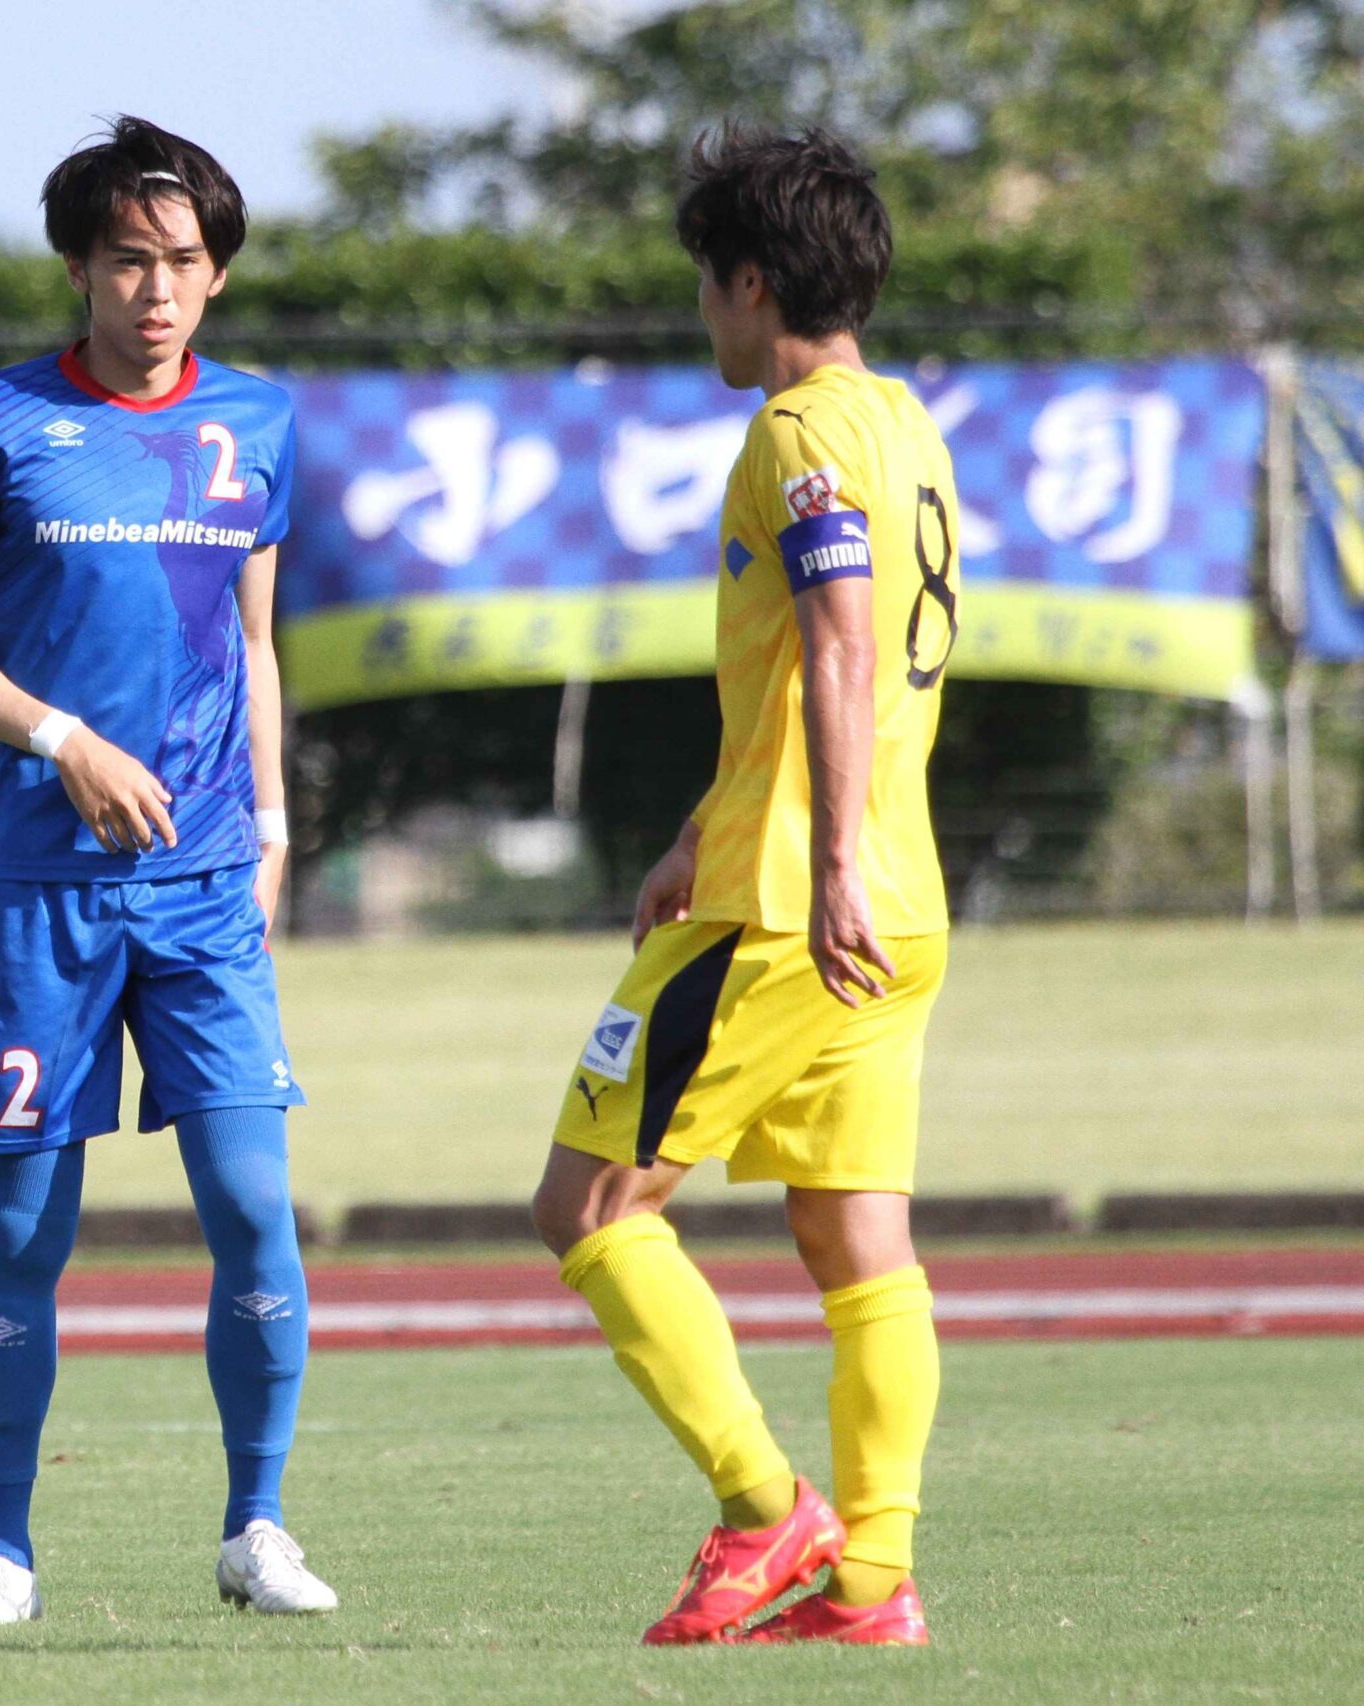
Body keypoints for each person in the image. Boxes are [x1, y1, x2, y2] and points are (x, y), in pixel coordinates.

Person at [0, 115, 335, 1627]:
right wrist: (63, 739)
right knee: (24, 1230)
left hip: (205, 889)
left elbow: (255, 642)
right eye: (130, 260)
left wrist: (271, 830)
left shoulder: (258, 422)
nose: (158, 290)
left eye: (185, 262)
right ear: (79, 267)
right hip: (39, 890)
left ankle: (257, 1527)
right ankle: (2, 1553)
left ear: (218, 275)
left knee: (254, 1206)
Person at [528, 123, 962, 1647]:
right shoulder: (904, 421)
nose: (702, 313)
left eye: (707, 282)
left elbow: (839, 640)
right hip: (896, 903)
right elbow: (829, 669)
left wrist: (815, 858)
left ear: (753, 282)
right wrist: (702, 823)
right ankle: (873, 1583)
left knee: (588, 1203)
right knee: (855, 1240)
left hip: (787, 906)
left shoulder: (794, 432)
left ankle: (763, 1506)